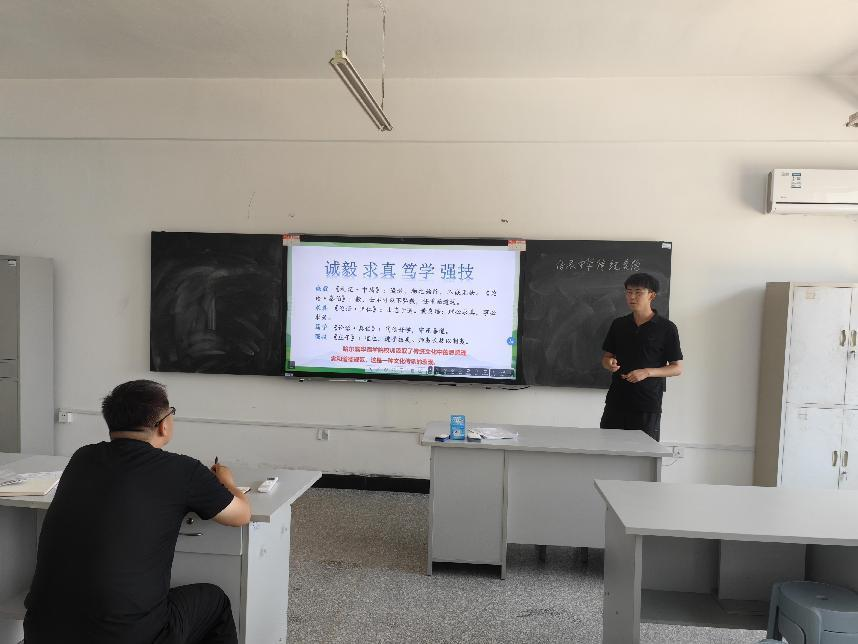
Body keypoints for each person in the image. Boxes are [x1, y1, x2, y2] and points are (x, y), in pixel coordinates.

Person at [23, 380, 252, 644]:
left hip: (42, 632)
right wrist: (227, 481)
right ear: (163, 425)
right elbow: (241, 515)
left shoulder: (82, 458)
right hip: (130, 636)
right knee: (215, 602)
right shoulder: (183, 471)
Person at [599, 273, 683, 442]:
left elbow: (676, 368)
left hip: (646, 404)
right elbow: (606, 358)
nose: (632, 297)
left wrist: (647, 372)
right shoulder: (619, 324)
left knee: (643, 453)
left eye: (638, 292)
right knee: (607, 449)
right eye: (629, 292)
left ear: (652, 295)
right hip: (616, 401)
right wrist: (609, 363)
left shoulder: (666, 328)